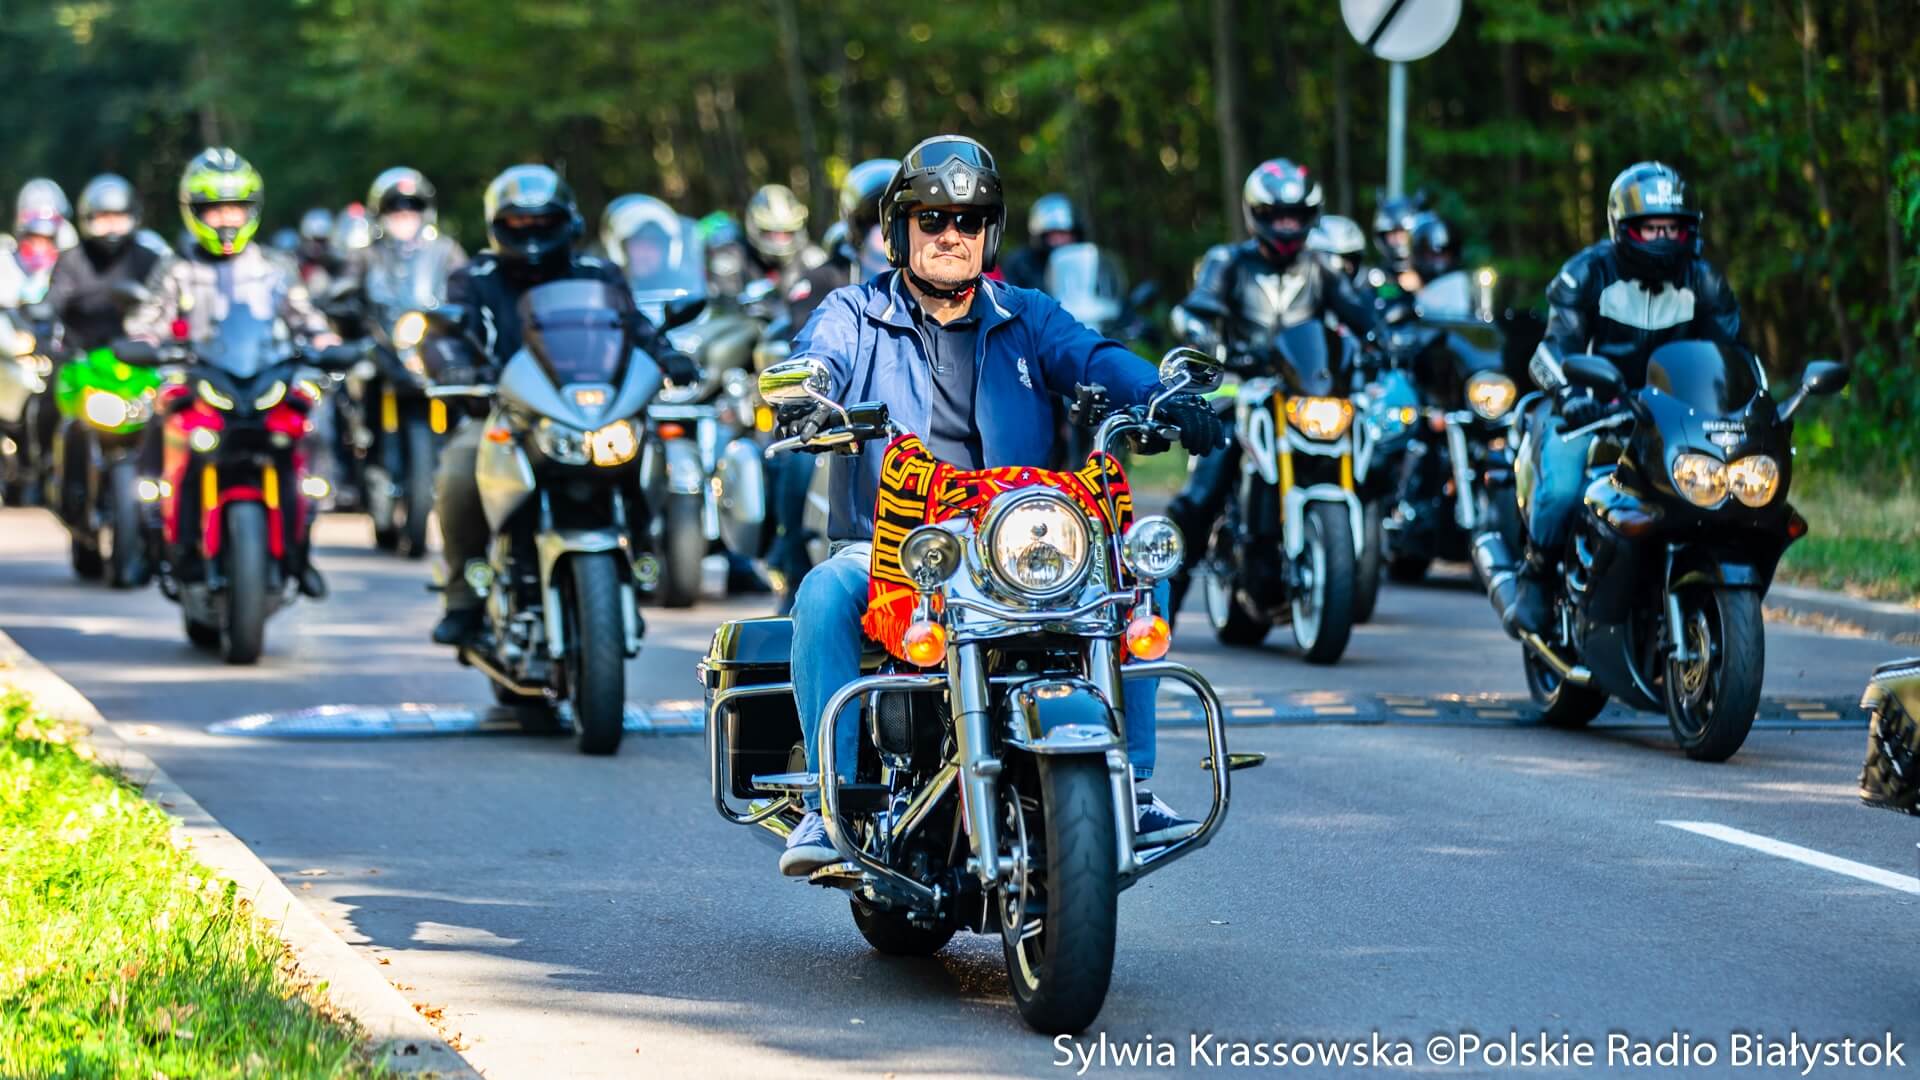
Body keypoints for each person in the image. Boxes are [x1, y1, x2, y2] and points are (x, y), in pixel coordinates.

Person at [769, 134, 1228, 877]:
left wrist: (1159, 395)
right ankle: (830, 805)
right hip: (896, 545)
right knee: (824, 589)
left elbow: (1095, 355)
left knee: (1137, 560)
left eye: (970, 221)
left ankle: (1134, 785)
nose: (952, 234)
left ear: (990, 234)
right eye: (932, 218)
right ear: (899, 228)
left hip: (1015, 540)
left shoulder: (1028, 315)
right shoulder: (853, 312)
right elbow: (817, 354)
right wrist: (808, 390)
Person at [428, 165, 696, 647]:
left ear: (567, 222)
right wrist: (452, 366)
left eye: (542, 222)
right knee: (459, 467)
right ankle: (463, 595)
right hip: (508, 413)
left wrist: (668, 354)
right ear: (496, 225)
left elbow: (633, 327)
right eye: (518, 223)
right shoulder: (475, 276)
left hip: (594, 409)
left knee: (658, 452)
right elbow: (445, 335)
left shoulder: (597, 273)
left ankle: (644, 549)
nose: (531, 232)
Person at [1502, 161, 1743, 636]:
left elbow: (1730, 360)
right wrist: (1571, 395)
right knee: (1564, 489)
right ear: (1623, 227)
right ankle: (1535, 572)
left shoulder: (1706, 282)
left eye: (1673, 227)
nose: (1662, 237)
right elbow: (1550, 352)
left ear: (1690, 230)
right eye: (1651, 227)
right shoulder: (1586, 274)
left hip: (1671, 417)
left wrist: (1750, 409)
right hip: (1590, 411)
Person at [1163, 157, 1382, 618]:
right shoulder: (1228, 262)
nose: (1287, 225)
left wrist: (1386, 337)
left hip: (1303, 392)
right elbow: (1195, 310)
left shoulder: (1320, 268)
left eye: (1296, 216)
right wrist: (1205, 337)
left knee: (1379, 449)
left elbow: (1361, 313)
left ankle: (1360, 564)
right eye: (1278, 216)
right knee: (1203, 493)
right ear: (1258, 215)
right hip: (1237, 388)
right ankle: (1159, 610)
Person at [125, 147, 337, 597]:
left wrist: (325, 342)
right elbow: (149, 320)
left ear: (252, 210)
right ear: (194, 212)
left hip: (264, 380)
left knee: (306, 432)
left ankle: (300, 552)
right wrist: (146, 342)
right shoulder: (179, 268)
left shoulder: (275, 268)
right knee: (159, 424)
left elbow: (305, 317)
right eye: (214, 208)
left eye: (235, 208)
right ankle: (153, 541)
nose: (225, 219)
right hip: (199, 382)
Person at [764, 158, 898, 612]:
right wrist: (813, 385)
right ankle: (790, 556)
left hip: (903, 425)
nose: (889, 235)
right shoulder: (826, 278)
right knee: (796, 458)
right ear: (859, 229)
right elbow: (806, 339)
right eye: (878, 225)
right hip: (837, 413)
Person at [46, 174, 171, 352]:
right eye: (103, 217)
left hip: (139, 362)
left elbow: (168, 308)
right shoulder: (72, 260)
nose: (112, 226)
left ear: (133, 217)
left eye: (119, 217)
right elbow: (52, 303)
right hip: (79, 362)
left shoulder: (148, 259)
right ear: (88, 219)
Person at [743, 183, 825, 286]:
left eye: (786, 232)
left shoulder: (813, 260)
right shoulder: (739, 260)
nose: (780, 240)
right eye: (773, 233)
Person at [998, 192, 1081, 290]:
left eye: (1064, 234)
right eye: (1053, 234)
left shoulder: (1082, 262)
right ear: (1040, 235)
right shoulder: (1021, 264)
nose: (1059, 240)